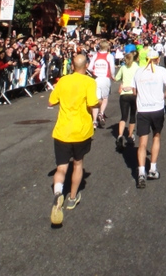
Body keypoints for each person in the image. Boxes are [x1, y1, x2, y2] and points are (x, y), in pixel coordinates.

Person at [48, 53, 100, 225]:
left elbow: (51, 101)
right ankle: (71, 197)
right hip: (81, 130)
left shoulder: (63, 81)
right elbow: (93, 103)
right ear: (86, 67)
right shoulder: (89, 82)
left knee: (61, 167)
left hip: (63, 129)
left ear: (72, 67)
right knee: (77, 163)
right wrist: (99, 103)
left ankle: (57, 193)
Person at [132, 48, 166, 188]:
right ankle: (153, 168)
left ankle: (141, 172)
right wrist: (162, 97)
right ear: (157, 59)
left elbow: (134, 91)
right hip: (157, 108)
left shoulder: (138, 72)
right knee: (156, 136)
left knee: (142, 142)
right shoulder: (162, 71)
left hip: (143, 109)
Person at [114, 50, 139, 150]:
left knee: (123, 116)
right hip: (133, 93)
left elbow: (116, 78)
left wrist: (122, 83)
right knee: (132, 115)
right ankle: (129, 135)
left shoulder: (123, 67)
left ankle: (120, 135)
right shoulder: (136, 67)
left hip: (124, 94)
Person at [88, 40, 116, 128]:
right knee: (105, 98)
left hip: (96, 78)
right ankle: (101, 113)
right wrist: (113, 76)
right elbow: (112, 68)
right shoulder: (109, 56)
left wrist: (94, 72)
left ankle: (94, 121)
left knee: (97, 99)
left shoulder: (95, 55)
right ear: (107, 47)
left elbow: (89, 67)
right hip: (105, 78)